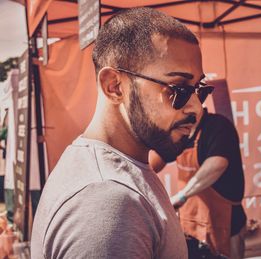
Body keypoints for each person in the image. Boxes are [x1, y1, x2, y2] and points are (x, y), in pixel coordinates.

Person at [31, 7, 214, 259]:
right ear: (114, 87)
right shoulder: (107, 202)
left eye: (200, 90)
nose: (196, 107)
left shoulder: (116, 170)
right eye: (179, 89)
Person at [150, 109, 247, 259]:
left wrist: (181, 196)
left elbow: (217, 164)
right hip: (191, 221)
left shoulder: (218, 126)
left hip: (225, 223)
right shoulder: (180, 131)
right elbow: (153, 162)